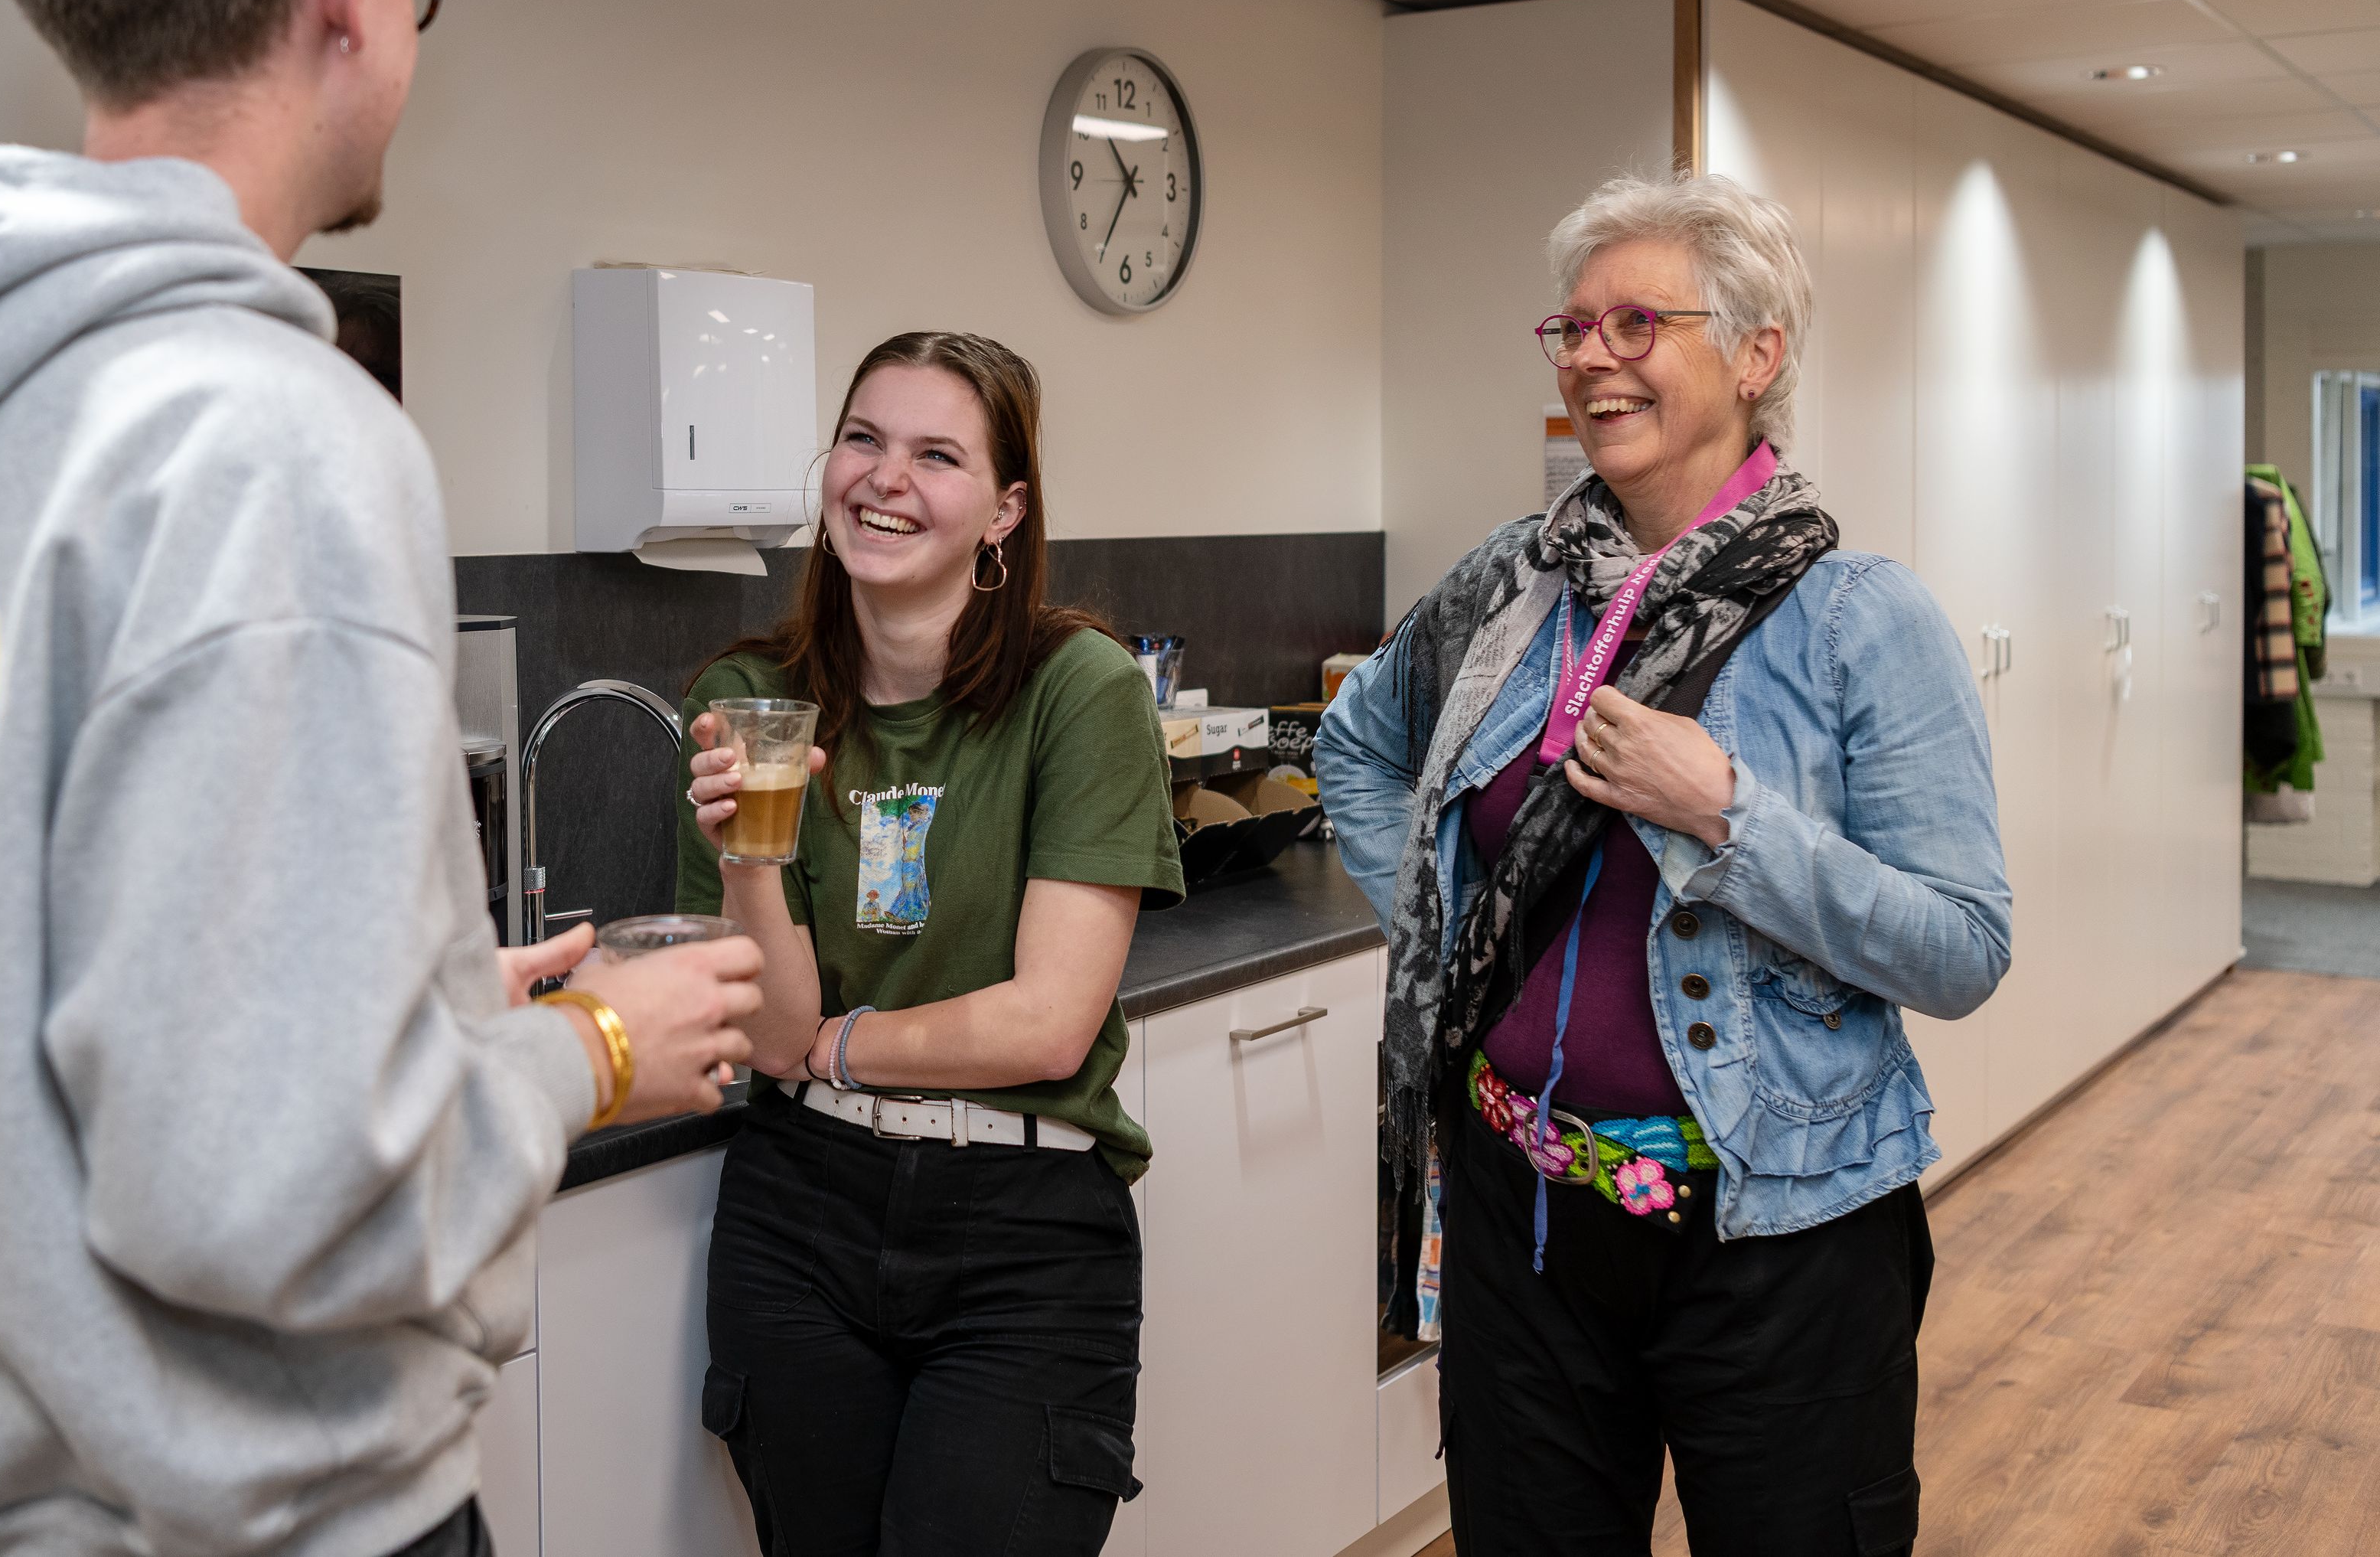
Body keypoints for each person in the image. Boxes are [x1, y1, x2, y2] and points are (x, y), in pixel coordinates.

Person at [0, 0, 761, 1557]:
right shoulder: (274, 437)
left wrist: (405, 1017)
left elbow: (17, 980)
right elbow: (274, 1194)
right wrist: (596, 1052)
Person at [1316, 173, 2011, 1555]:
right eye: (1572, 328)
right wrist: (1446, 922)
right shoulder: (1507, 588)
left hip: (1782, 1228)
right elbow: (1355, 745)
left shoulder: (1861, 622)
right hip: (1524, 1222)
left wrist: (1730, 814)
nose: (1590, 356)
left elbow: (1962, 944)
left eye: (1637, 322)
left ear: (1758, 355)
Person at [675, 331, 1185, 1556]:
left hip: (1025, 1227)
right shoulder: (753, 694)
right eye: (863, 439)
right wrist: (751, 851)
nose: (885, 478)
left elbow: (1047, 1021)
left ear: (1005, 510)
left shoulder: (1082, 689)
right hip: (801, 1216)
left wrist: (840, 1048)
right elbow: (773, 1031)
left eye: (937, 455)